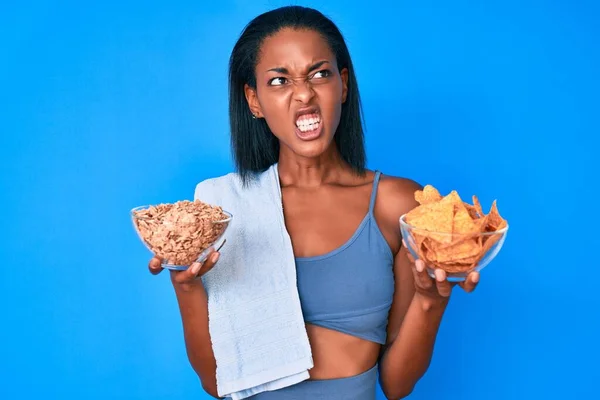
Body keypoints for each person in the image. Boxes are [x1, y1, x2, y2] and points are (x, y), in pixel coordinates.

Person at [148, 5, 479, 400]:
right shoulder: (223, 213)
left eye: (319, 74)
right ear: (254, 101)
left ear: (343, 84)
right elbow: (216, 383)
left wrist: (430, 300)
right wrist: (185, 287)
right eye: (279, 80)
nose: (303, 93)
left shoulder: (396, 205)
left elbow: (396, 384)